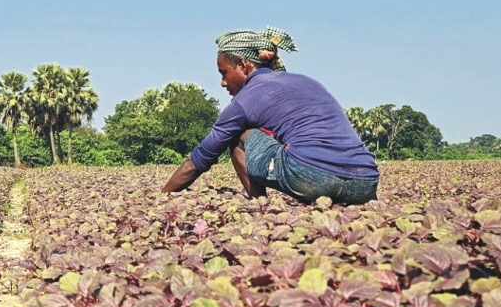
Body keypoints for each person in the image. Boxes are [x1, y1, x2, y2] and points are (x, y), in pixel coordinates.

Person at [162, 27, 379, 204]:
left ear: (243, 66)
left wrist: (162, 196)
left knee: (239, 135)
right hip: (366, 182)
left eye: (224, 73)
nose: (223, 82)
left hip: (312, 178)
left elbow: (200, 160)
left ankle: (258, 203)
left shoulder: (244, 101)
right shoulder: (307, 81)